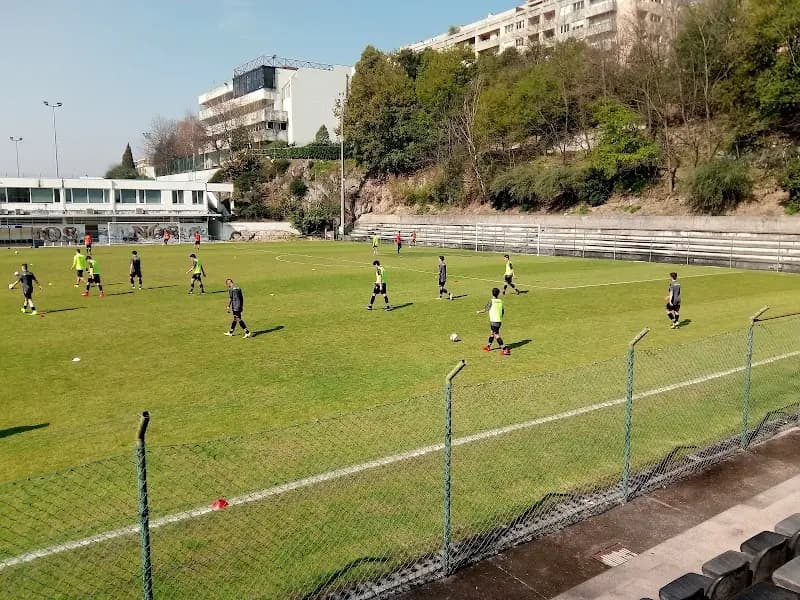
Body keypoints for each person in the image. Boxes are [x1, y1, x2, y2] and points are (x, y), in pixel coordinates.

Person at [476, 287, 511, 355]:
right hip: (498, 320)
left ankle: (504, 349)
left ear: (492, 293)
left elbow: (485, 309)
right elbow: (503, 311)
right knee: (492, 333)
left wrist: (479, 312)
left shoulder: (491, 301)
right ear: (498, 294)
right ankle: (488, 346)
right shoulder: (500, 301)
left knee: (496, 335)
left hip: (494, 320)